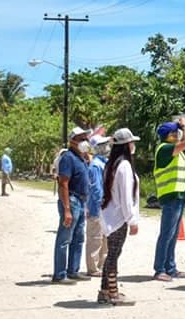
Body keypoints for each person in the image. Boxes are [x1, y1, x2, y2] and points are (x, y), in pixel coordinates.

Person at [98, 128, 141, 305]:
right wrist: (132, 220)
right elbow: (126, 197)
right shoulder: (123, 166)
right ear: (125, 145)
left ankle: (105, 291)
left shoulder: (112, 164)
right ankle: (113, 293)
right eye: (131, 143)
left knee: (111, 254)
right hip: (118, 218)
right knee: (113, 255)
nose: (133, 146)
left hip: (110, 216)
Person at [152, 117, 185, 282]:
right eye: (175, 131)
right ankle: (160, 269)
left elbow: (182, 174)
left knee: (173, 234)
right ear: (167, 135)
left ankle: (170, 267)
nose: (178, 133)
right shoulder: (165, 148)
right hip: (170, 197)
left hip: (178, 196)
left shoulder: (177, 152)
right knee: (166, 234)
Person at [52, 127, 91, 283]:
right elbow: (63, 184)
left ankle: (73, 270)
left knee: (78, 238)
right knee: (65, 238)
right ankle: (59, 274)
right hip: (72, 201)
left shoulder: (81, 157)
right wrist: (67, 209)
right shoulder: (67, 158)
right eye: (81, 139)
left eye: (85, 138)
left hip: (81, 201)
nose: (84, 142)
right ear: (72, 141)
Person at [85, 134, 110, 277]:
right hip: (97, 208)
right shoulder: (95, 165)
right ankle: (93, 268)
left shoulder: (104, 163)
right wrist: (102, 204)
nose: (107, 146)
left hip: (105, 208)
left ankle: (102, 265)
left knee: (104, 239)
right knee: (95, 239)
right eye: (104, 144)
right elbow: (96, 188)